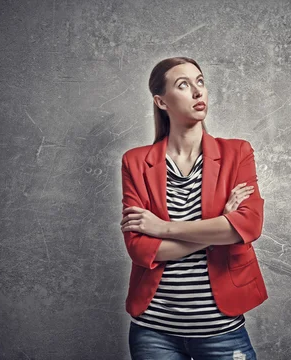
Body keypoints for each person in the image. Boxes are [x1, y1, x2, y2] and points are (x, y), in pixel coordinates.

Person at [119, 56, 267, 360]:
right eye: (183, 85)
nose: (198, 92)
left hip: (222, 329)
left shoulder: (237, 153)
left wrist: (163, 228)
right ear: (161, 102)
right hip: (153, 332)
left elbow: (248, 226)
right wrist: (221, 225)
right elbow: (141, 249)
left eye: (200, 81)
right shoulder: (135, 162)